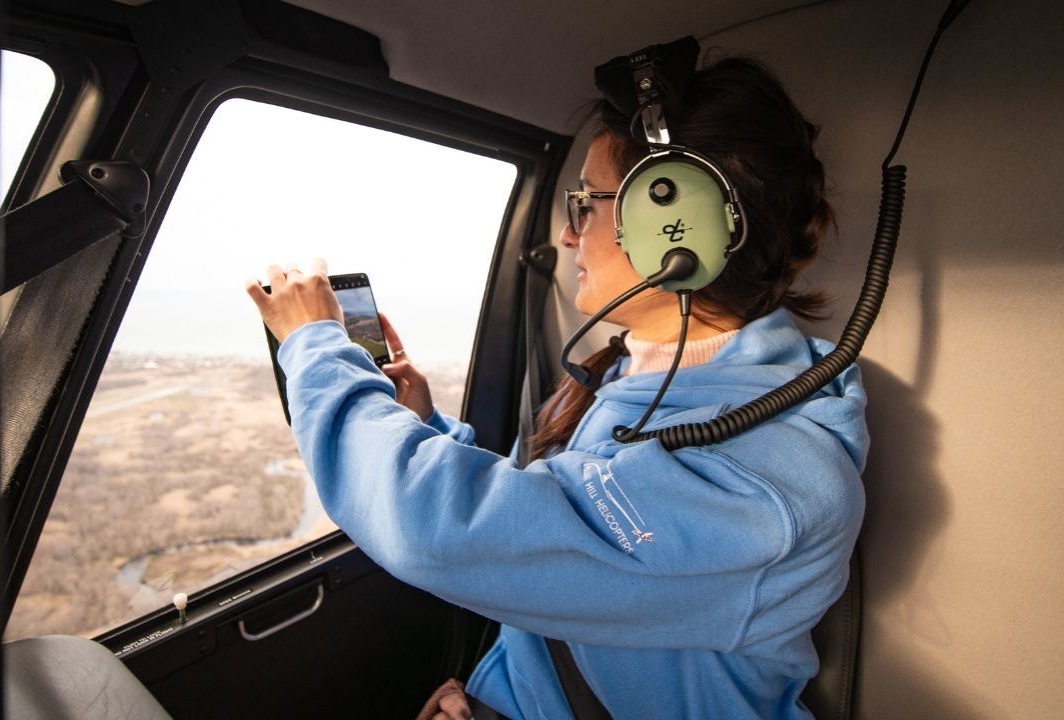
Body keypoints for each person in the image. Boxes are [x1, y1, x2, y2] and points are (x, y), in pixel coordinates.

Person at [246, 55, 866, 720]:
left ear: (674, 230)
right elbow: (547, 524)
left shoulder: (771, 491)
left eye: (587, 204)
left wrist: (315, 346)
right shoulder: (635, 370)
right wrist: (423, 425)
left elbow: (447, 533)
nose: (568, 234)